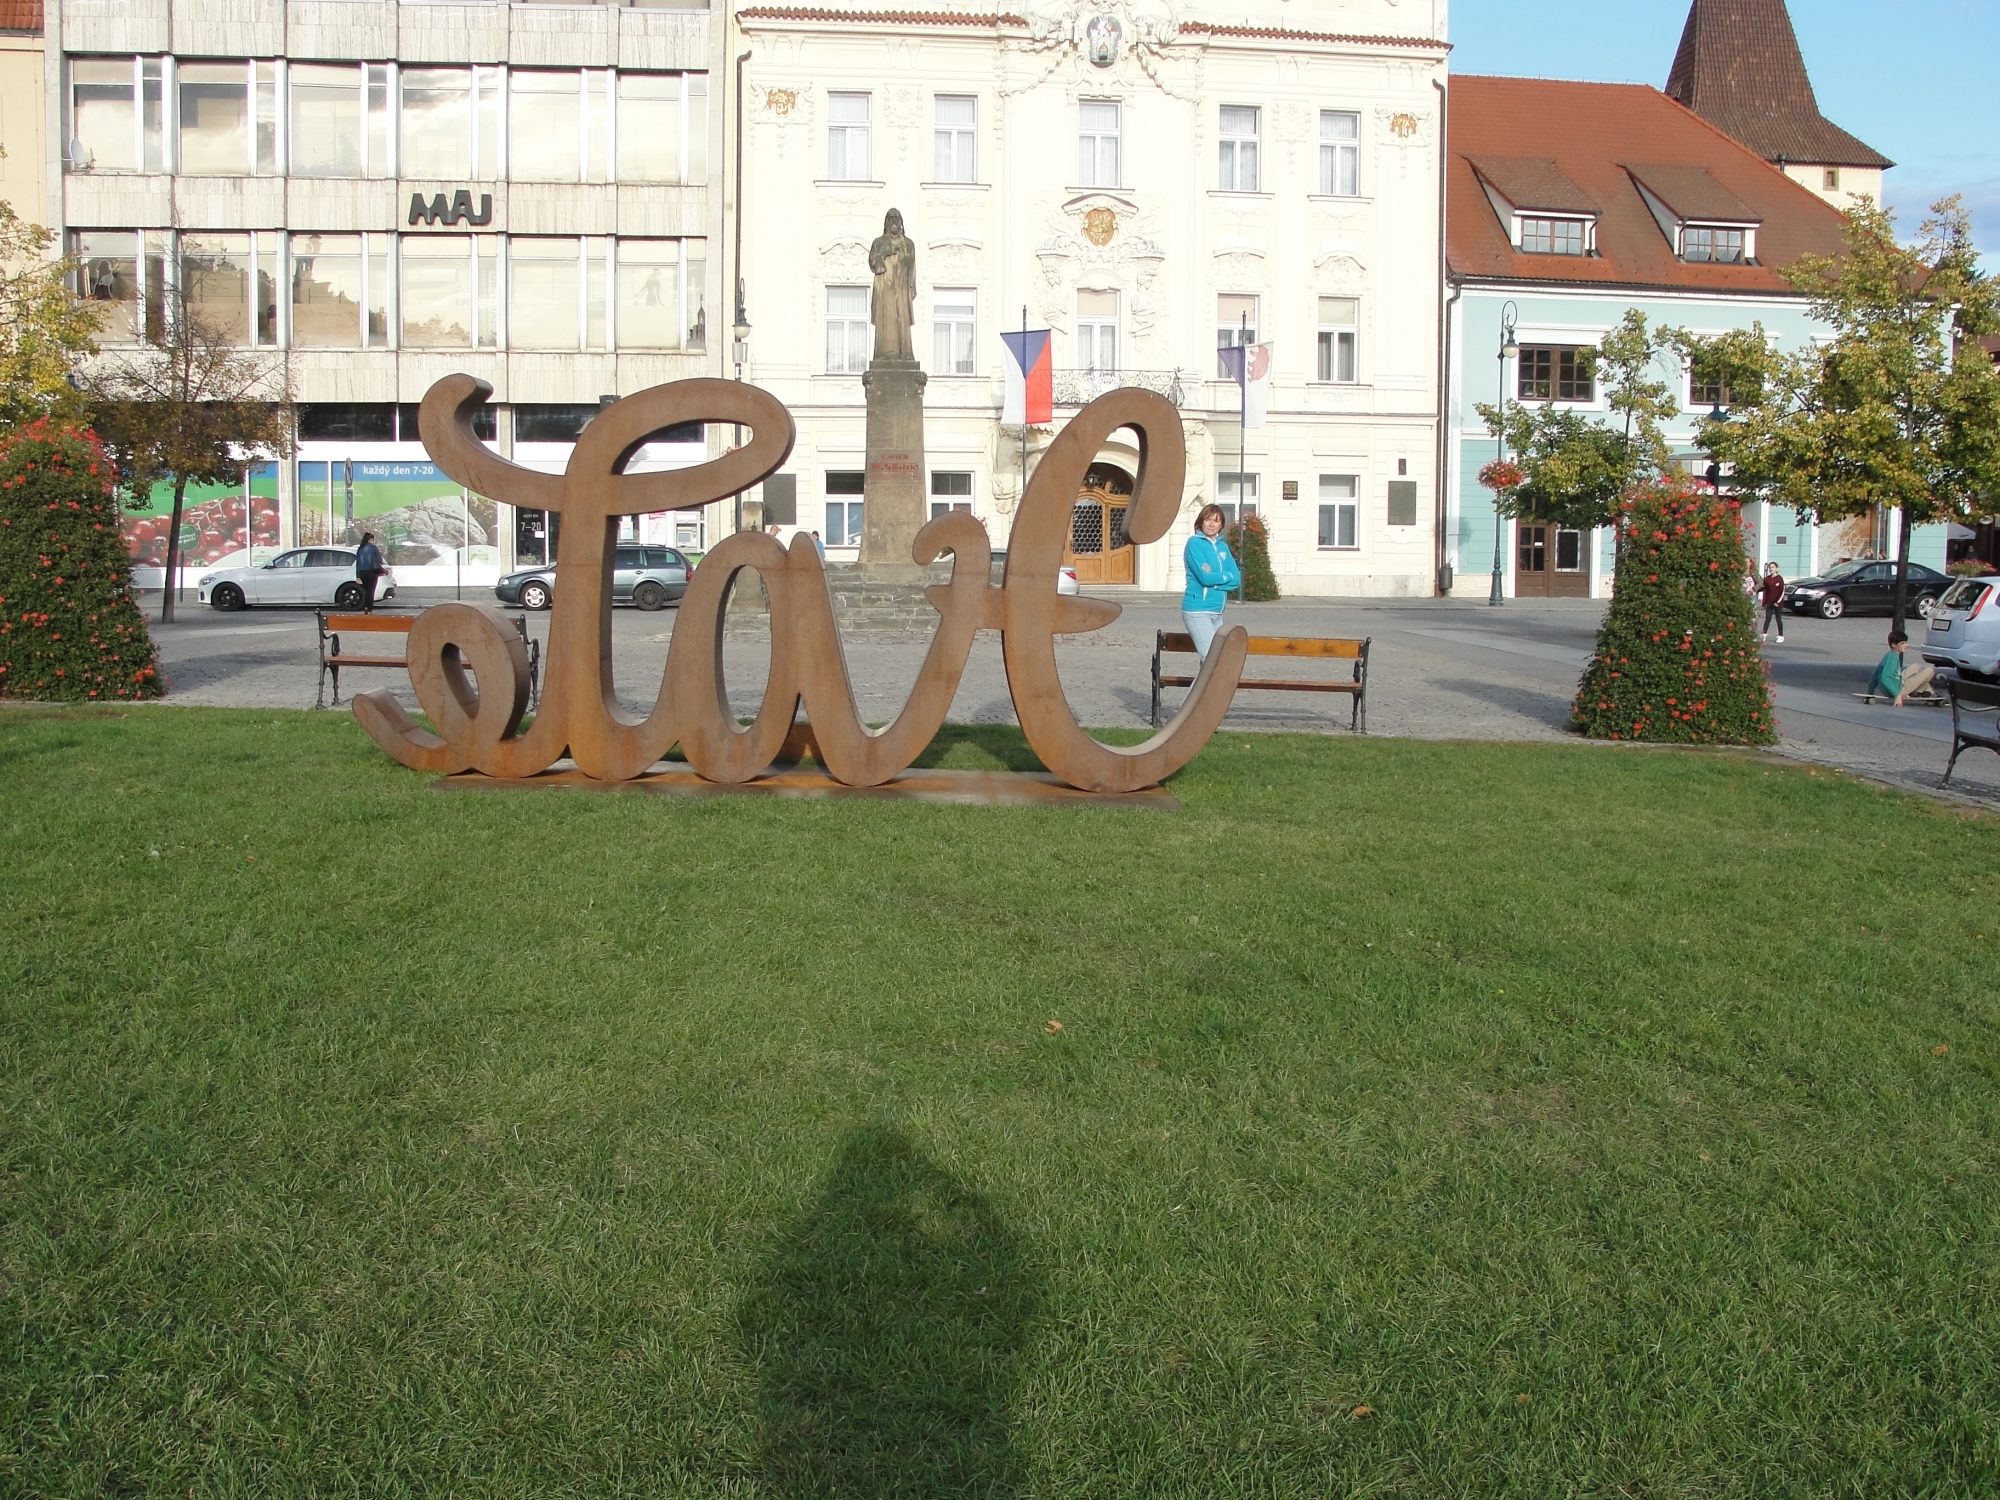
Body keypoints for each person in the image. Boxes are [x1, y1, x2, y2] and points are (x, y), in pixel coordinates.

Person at [1181, 503, 1241, 661]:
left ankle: (1205, 680)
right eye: (1208, 520)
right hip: (1198, 610)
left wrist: (1217, 578)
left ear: (1221, 524)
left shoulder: (1223, 547)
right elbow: (1204, 578)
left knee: (1219, 658)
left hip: (1217, 613)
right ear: (1201, 522)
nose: (1211, 524)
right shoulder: (1194, 543)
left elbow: (1236, 579)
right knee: (1210, 658)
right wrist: (1225, 576)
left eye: (1216, 520)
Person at [1866, 631, 1936, 707]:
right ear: (1893, 645)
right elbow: (1885, 678)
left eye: (1906, 642)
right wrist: (1897, 695)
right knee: (1929, 670)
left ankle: (1922, 691)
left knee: (1916, 667)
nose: (1906, 645)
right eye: (1902, 643)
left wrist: (1870, 692)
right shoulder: (1893, 658)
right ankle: (1927, 693)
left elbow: (1876, 674)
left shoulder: (1889, 655)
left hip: (1896, 684)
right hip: (1898, 689)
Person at [353, 531, 386, 613]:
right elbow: (379, 559)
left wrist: (357, 575)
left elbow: (358, 563)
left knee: (365, 591)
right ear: (370, 539)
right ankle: (369, 609)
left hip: (362, 572)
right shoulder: (373, 548)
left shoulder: (360, 548)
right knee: (371, 591)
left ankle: (365, 607)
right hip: (372, 571)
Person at [1758, 561, 1785, 643]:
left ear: (1777, 568)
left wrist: (1778, 602)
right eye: (1770, 567)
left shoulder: (1779, 579)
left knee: (1778, 618)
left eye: (1773, 567)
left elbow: (1782, 591)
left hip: (1777, 602)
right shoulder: (1767, 579)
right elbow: (1764, 589)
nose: (1771, 569)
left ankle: (1780, 635)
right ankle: (1764, 633)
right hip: (1769, 602)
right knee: (1768, 618)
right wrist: (1755, 591)